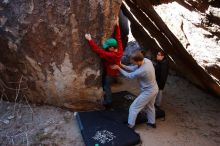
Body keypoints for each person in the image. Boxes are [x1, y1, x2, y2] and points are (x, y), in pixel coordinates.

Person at [112, 51, 158, 128]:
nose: (132, 63)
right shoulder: (146, 60)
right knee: (150, 106)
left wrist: (118, 68)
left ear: (138, 61)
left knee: (134, 107)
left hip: (148, 92)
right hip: (154, 88)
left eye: (133, 62)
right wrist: (122, 65)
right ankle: (152, 123)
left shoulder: (143, 70)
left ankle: (131, 125)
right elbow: (134, 67)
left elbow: (129, 75)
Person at [85, 18, 123, 105]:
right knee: (106, 83)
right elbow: (118, 37)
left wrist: (90, 40)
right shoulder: (119, 49)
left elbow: (98, 51)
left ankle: (108, 101)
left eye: (108, 47)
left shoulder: (111, 55)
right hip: (114, 70)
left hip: (111, 73)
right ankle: (107, 97)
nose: (106, 48)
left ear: (112, 48)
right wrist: (117, 26)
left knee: (107, 85)